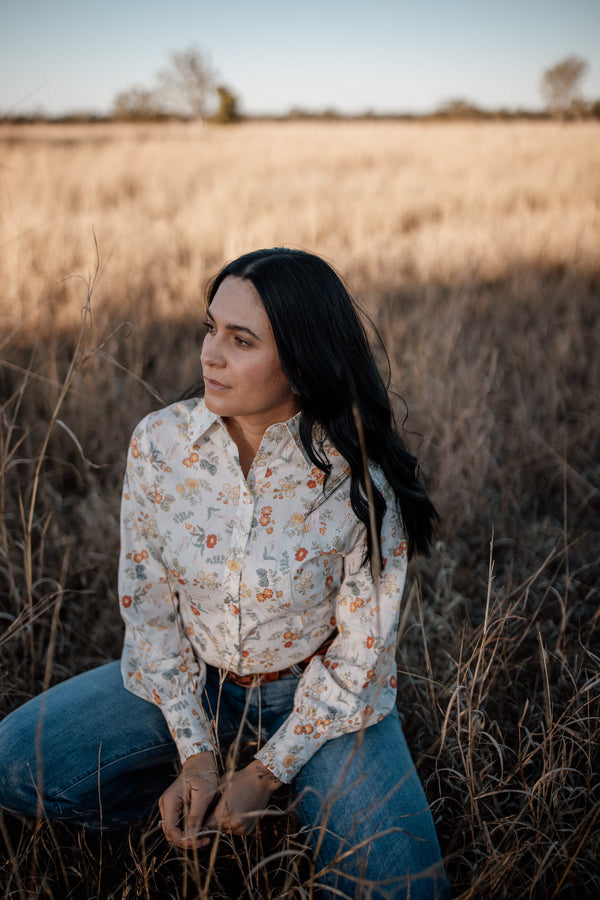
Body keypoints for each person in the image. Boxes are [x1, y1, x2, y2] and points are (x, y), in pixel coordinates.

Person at [0, 248, 449, 899]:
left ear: (303, 358)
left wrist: (264, 776)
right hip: (194, 679)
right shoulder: (160, 445)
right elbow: (150, 614)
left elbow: (361, 658)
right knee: (15, 763)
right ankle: (176, 809)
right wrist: (197, 754)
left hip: (322, 699)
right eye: (211, 328)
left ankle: (298, 793)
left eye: (240, 340)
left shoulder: (359, 479)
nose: (209, 354)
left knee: (407, 890)